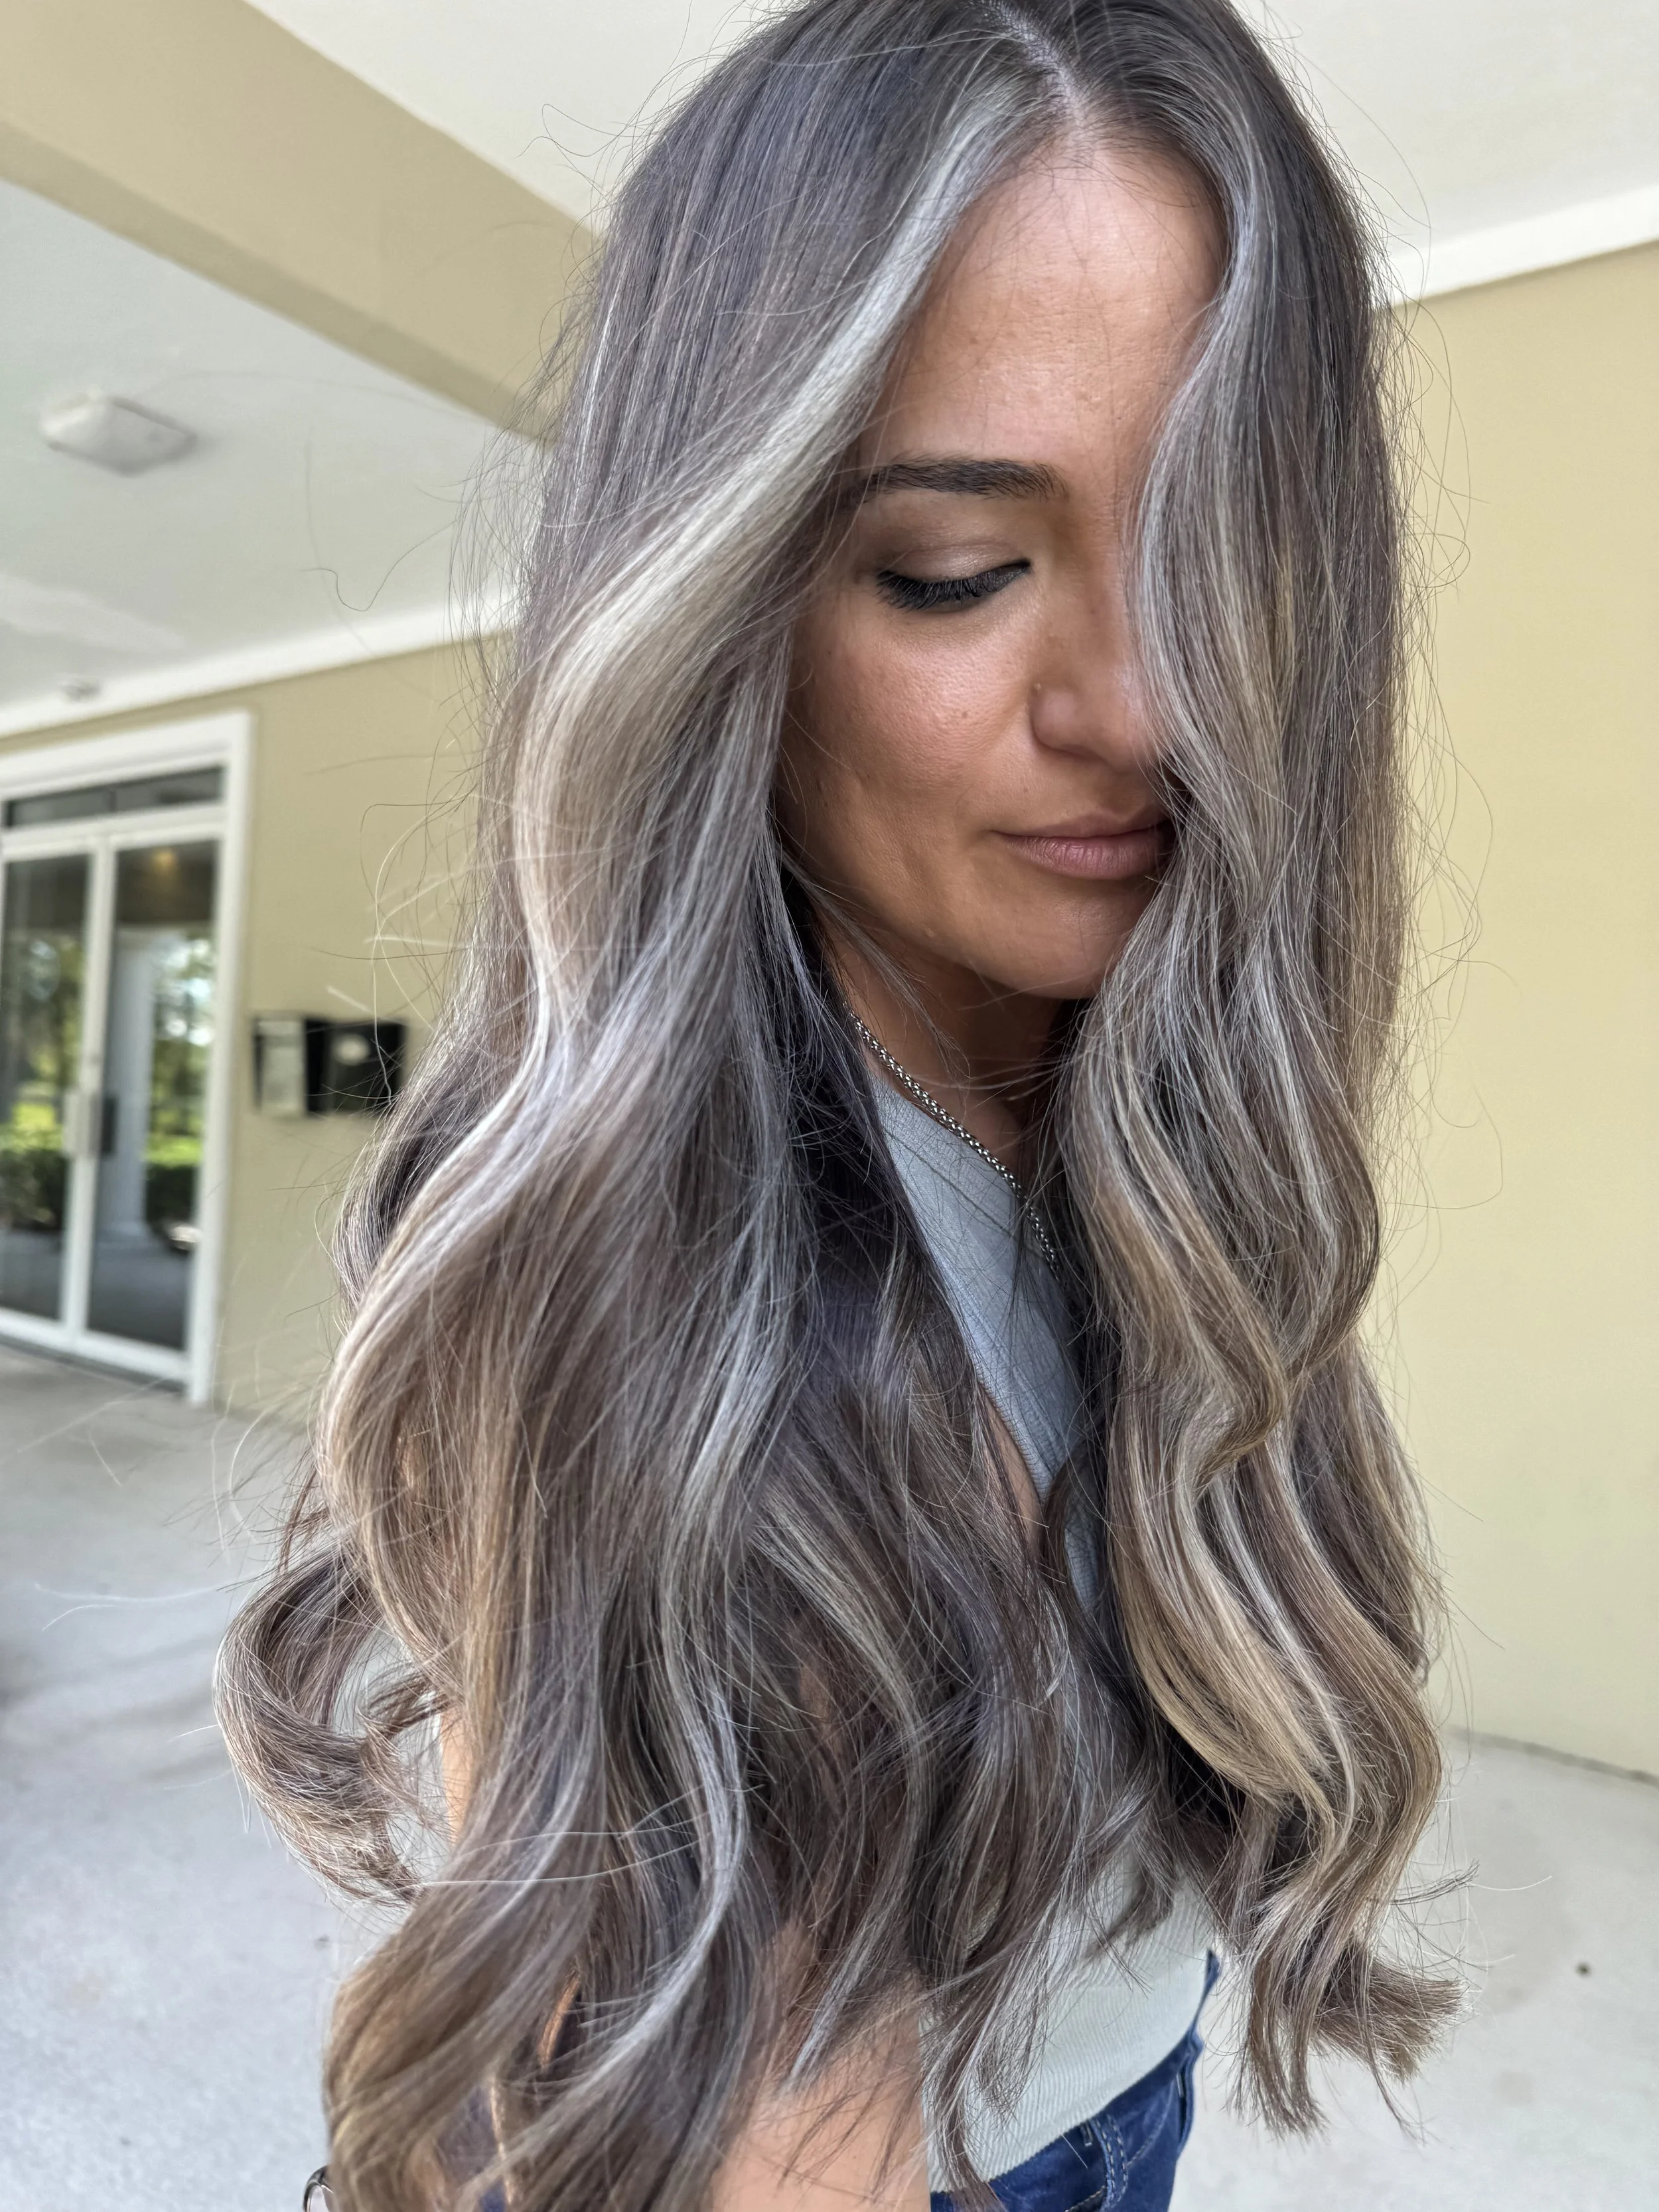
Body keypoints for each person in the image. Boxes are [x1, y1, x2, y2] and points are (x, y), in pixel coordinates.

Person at [221, 3, 1457, 2207]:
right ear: (715, 613)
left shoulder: (1110, 1103)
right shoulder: (685, 1326)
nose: (1142, 704)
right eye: (955, 571)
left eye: (1221, 548)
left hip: (1121, 2084)